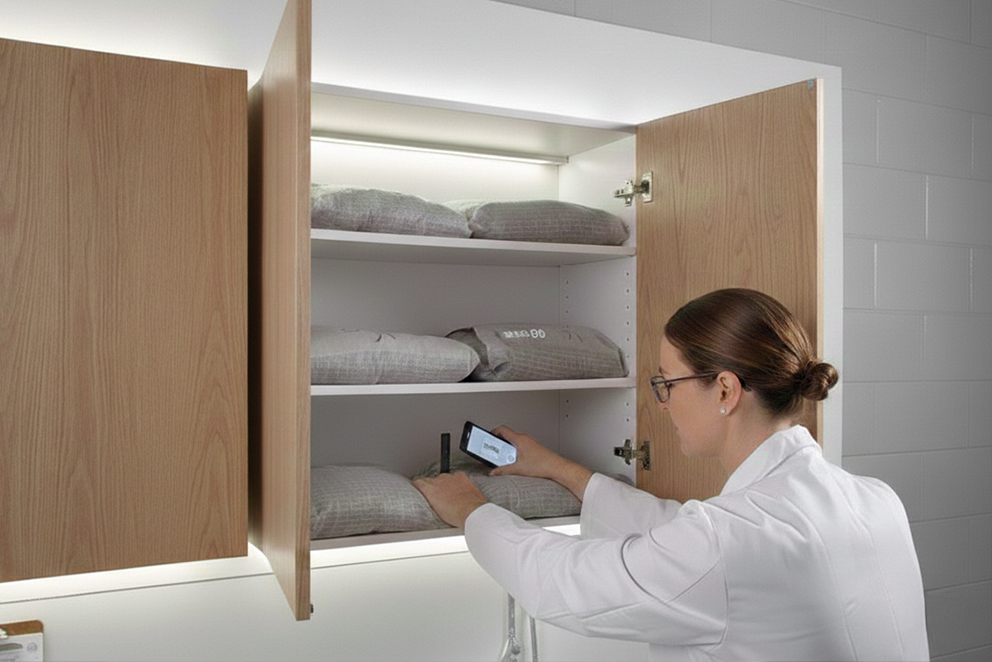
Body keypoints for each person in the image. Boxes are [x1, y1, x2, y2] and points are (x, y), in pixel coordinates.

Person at [414, 288, 929, 662]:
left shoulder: (728, 542)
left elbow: (562, 585)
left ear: (725, 391)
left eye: (668, 383)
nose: (661, 403)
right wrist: (559, 469)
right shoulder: (874, 499)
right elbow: (680, 529)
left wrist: (471, 510)